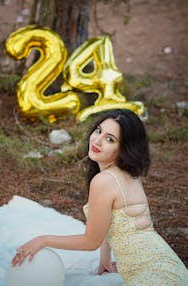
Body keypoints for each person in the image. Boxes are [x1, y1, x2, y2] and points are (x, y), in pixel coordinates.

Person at [12, 109, 188, 285]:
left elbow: (90, 241)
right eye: (98, 130)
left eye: (110, 139)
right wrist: (105, 259)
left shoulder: (104, 181)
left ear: (124, 148)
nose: (97, 140)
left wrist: (43, 240)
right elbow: (109, 221)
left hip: (156, 277)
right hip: (171, 267)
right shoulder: (131, 175)